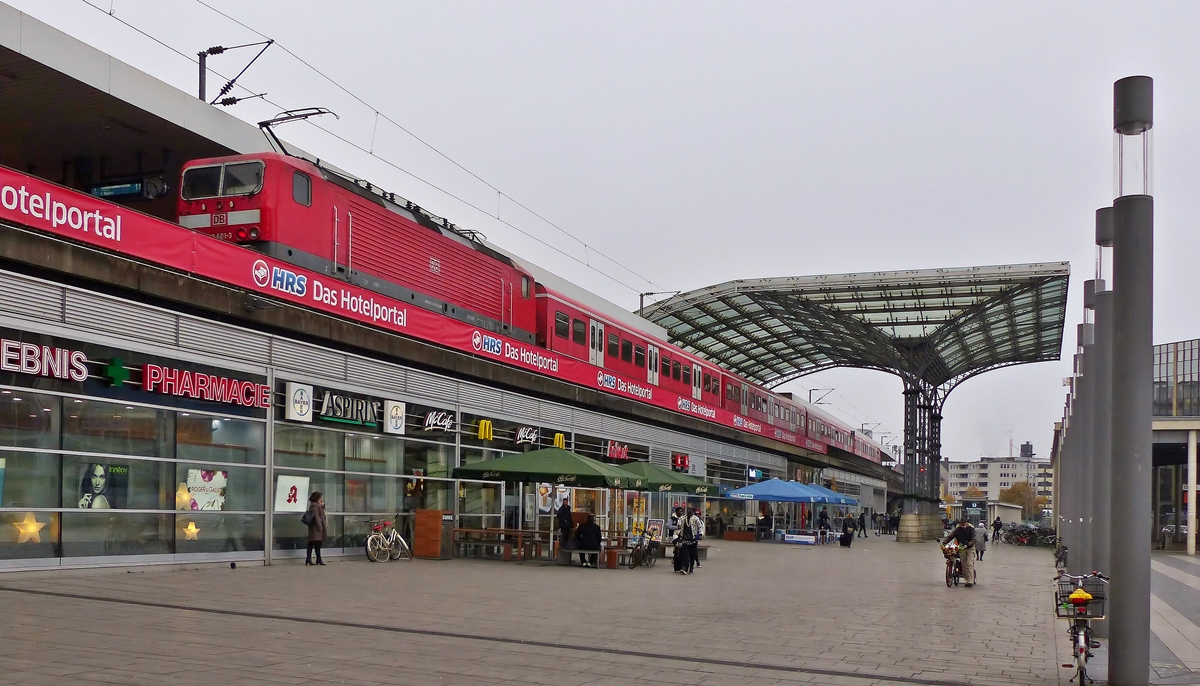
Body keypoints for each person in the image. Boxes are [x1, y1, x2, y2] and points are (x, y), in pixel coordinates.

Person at [942, 518, 977, 587]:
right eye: (961, 523)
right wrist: (944, 542)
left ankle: (970, 581)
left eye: (964, 522)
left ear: (966, 522)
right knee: (963, 565)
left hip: (970, 548)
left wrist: (969, 544)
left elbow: (974, 539)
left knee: (969, 563)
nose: (963, 524)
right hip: (961, 548)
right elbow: (950, 536)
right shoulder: (957, 530)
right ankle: (967, 580)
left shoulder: (971, 529)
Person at [675, 507, 702, 574]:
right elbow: (679, 524)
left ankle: (691, 567)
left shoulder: (695, 518)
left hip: (693, 539)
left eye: (690, 510)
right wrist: (678, 525)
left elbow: (700, 526)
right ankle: (684, 567)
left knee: (692, 555)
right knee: (685, 554)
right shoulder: (683, 518)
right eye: (688, 509)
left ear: (693, 511)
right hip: (684, 539)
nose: (688, 511)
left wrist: (700, 534)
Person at [304, 491, 327, 566]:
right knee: (314, 543)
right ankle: (314, 559)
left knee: (315, 543)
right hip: (315, 528)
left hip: (317, 527)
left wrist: (322, 505)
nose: (321, 498)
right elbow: (316, 516)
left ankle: (314, 559)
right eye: (320, 497)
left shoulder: (318, 505)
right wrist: (320, 526)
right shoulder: (314, 505)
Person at [670, 506, 686, 572]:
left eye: (682, 511)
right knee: (678, 548)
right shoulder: (672, 518)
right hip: (675, 535)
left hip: (683, 536)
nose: (681, 513)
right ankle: (676, 565)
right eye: (680, 511)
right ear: (676, 512)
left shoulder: (684, 518)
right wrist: (676, 527)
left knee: (683, 550)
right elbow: (668, 526)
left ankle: (682, 565)